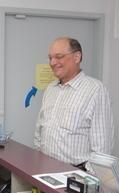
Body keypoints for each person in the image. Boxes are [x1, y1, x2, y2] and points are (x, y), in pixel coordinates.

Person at [33, 37, 114, 170]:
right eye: (50, 58)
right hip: (45, 171)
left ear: (77, 57)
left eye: (59, 57)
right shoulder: (50, 89)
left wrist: (85, 179)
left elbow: (102, 149)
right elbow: (39, 131)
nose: (53, 62)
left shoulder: (96, 90)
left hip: (75, 176)